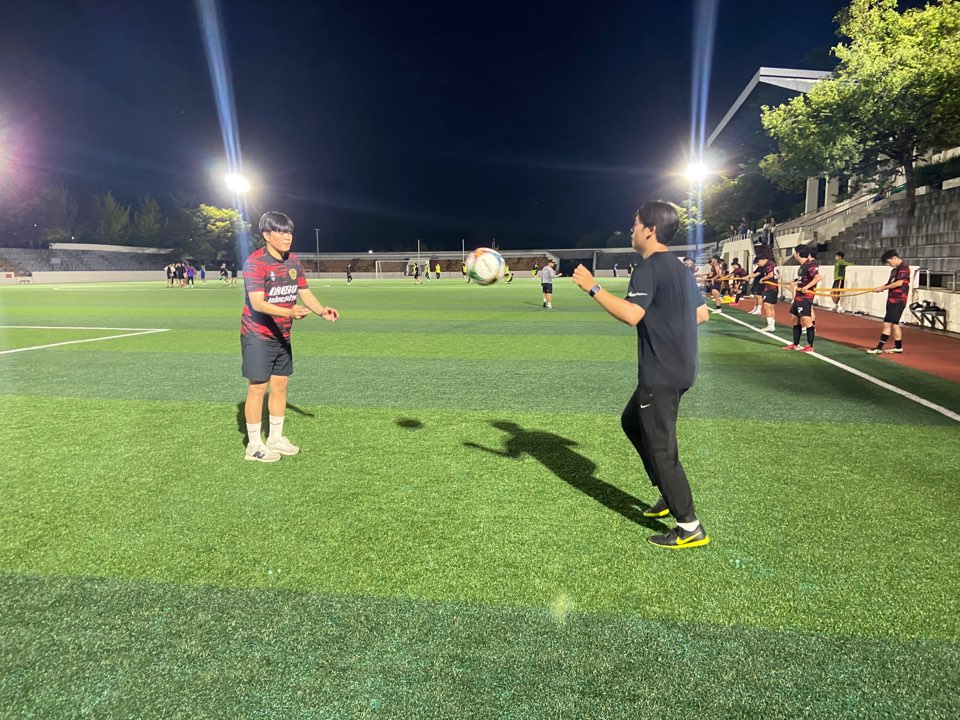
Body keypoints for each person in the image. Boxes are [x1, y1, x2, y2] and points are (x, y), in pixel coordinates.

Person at [572, 201, 710, 549]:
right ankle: (668, 492)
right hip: (682, 368)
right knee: (632, 422)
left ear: (650, 230)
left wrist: (593, 288)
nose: (631, 229)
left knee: (662, 448)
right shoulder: (679, 267)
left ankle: (689, 526)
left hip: (660, 373)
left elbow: (632, 315)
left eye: (635, 224)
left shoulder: (648, 268)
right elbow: (702, 314)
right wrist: (667, 327)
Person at [240, 211, 339, 462]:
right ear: (266, 235)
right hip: (257, 335)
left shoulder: (293, 261)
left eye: (289, 232)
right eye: (281, 232)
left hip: (282, 335)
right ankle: (254, 446)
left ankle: (275, 438)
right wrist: (289, 312)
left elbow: (304, 292)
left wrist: (321, 311)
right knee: (257, 388)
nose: (287, 237)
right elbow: (257, 303)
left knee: (280, 385)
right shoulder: (255, 263)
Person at [867, 249, 911, 354]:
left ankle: (879, 348)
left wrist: (882, 287)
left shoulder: (904, 268)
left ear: (894, 258)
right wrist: (880, 288)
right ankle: (898, 347)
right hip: (892, 298)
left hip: (899, 299)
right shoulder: (894, 271)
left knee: (887, 323)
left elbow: (899, 283)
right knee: (894, 323)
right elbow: (890, 284)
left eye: (889, 262)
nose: (888, 265)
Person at [782, 244, 821, 352]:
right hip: (798, 296)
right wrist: (793, 284)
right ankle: (796, 344)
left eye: (795, 252)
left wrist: (806, 287)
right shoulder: (802, 266)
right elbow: (802, 279)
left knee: (806, 320)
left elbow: (818, 277)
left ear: (798, 253)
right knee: (795, 318)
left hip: (805, 297)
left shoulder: (809, 265)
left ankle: (810, 346)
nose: (794, 254)